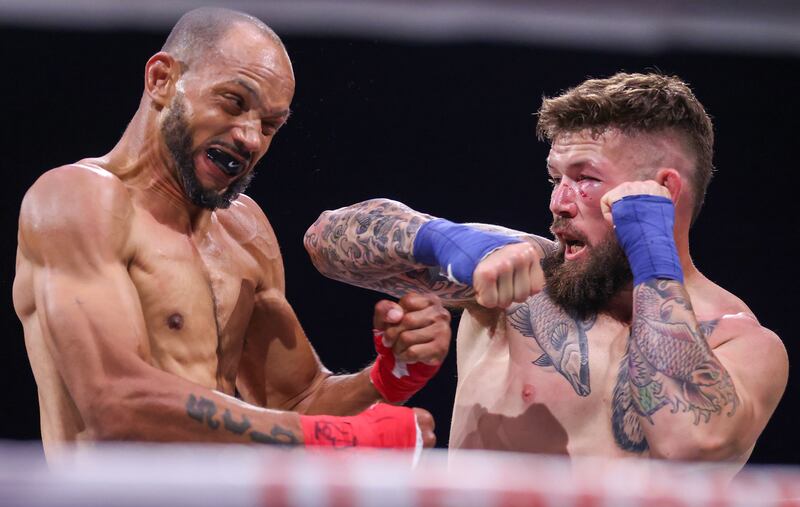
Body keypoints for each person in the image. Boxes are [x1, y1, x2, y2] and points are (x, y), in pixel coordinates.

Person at [12, 7, 451, 458]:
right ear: (162, 79)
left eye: (269, 125)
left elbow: (298, 402)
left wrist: (386, 377)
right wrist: (334, 441)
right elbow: (114, 404)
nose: (250, 139)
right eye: (234, 102)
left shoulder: (245, 231)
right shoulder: (77, 199)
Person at [304, 72, 788, 464]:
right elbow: (325, 240)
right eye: (556, 179)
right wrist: (453, 243)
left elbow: (689, 442)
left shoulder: (740, 342)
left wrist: (652, 256)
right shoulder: (527, 276)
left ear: (663, 190)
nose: (558, 203)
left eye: (585, 179)